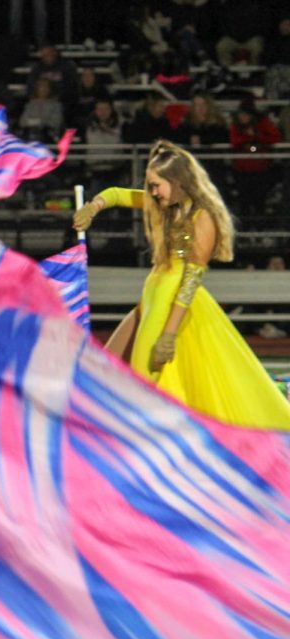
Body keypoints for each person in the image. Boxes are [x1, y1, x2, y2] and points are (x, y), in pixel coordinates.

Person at [72, 140, 290, 430]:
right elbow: (118, 194)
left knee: (144, 384)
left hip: (172, 303)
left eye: (156, 185)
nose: (151, 193)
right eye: (149, 185)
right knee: (108, 364)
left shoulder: (203, 218)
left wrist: (169, 335)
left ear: (178, 182)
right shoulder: (166, 203)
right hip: (151, 297)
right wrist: (94, 206)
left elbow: (189, 282)